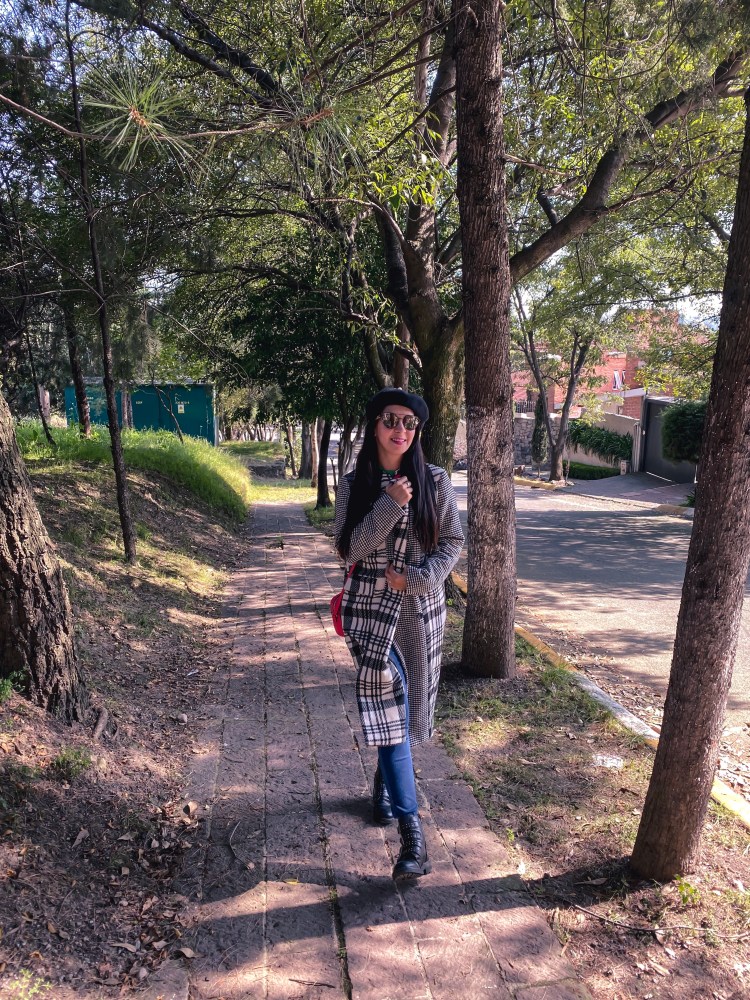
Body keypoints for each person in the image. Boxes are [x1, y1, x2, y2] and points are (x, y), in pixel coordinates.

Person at [333, 387, 464, 880]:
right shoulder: (354, 485)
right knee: (387, 703)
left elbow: (452, 540)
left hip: (418, 613)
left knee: (399, 715)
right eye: (391, 419)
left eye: (410, 423)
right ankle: (414, 839)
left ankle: (384, 784)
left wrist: (421, 578)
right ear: (375, 425)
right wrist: (388, 505)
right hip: (369, 614)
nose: (400, 430)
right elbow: (348, 550)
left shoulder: (435, 480)